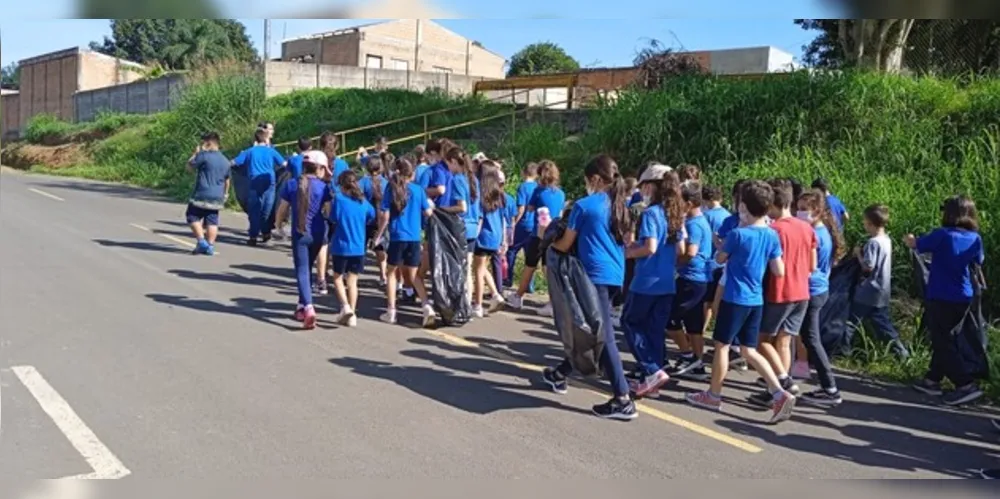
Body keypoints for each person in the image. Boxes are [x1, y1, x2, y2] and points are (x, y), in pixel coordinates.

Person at [686, 180, 797, 424]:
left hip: (734, 297)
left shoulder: (737, 234)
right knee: (749, 349)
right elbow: (778, 270)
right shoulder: (771, 234)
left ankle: (713, 394)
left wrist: (722, 246)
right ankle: (779, 391)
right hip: (756, 299)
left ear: (743, 206)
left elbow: (720, 257)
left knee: (722, 346)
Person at [542, 154, 637, 420]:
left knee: (601, 335)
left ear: (595, 179)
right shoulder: (621, 205)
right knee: (589, 329)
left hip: (591, 276)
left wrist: (547, 241)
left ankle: (623, 398)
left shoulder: (584, 206)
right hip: (615, 275)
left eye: (587, 180)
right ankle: (560, 373)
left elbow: (565, 244)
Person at [904, 195, 986, 406]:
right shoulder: (975, 238)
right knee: (948, 337)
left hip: (942, 294)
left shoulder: (943, 235)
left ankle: (965, 384)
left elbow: (917, 245)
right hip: (964, 296)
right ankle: (933, 379)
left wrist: (910, 239)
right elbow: (978, 261)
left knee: (941, 340)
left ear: (949, 214)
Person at [748, 179, 816, 408]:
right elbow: (812, 263)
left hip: (780, 291)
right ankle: (776, 385)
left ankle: (782, 381)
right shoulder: (806, 227)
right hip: (802, 291)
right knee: (784, 341)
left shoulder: (774, 230)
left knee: (761, 340)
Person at [622, 165, 685, 397]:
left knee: (630, 322)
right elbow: (681, 249)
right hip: (667, 281)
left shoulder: (651, 213)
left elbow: (650, 247)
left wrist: (628, 251)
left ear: (653, 186)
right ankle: (653, 378)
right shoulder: (675, 213)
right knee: (655, 330)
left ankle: (651, 371)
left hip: (646, 281)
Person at [794, 190, 845, 407]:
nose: (799, 213)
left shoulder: (817, 236)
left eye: (804, 210)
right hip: (818, 288)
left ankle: (830, 388)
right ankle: (827, 386)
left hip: (813, 290)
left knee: (811, 339)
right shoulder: (820, 231)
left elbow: (809, 266)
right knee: (807, 337)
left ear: (817, 212)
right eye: (798, 208)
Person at [274, 151, 332, 329]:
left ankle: (308, 307)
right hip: (318, 232)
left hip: (300, 232)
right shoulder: (324, 188)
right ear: (320, 168)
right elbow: (328, 212)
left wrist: (278, 224)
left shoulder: (292, 184)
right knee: (307, 269)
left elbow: (282, 209)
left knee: (302, 269)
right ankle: (301, 305)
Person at [375, 158, 435, 326]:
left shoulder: (392, 188)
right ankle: (426, 306)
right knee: (414, 275)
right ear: (412, 174)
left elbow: (385, 215)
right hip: (415, 236)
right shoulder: (418, 190)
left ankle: (391, 311)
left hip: (397, 236)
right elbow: (429, 212)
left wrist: (378, 235)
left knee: (391, 273)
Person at [847, 204, 910, 359]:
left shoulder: (873, 243)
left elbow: (868, 267)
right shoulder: (886, 240)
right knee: (883, 325)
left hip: (867, 291)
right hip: (882, 290)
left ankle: (843, 350)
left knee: (850, 323)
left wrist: (858, 255)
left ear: (870, 223)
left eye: (864, 222)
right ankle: (901, 353)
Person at [667, 181, 713, 380]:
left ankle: (687, 355)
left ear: (689, 203)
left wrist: (675, 262)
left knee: (670, 319)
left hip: (690, 278)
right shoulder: (701, 221)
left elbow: (691, 253)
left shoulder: (694, 224)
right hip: (699, 279)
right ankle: (698, 363)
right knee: (694, 325)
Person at [507, 160, 566, 316]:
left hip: (538, 234)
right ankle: (554, 301)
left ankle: (518, 296)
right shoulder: (560, 193)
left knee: (530, 266)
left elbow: (531, 208)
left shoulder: (539, 191)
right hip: (554, 234)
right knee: (549, 268)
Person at [328, 171, 376, 327]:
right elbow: (372, 215)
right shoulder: (363, 201)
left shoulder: (339, 200)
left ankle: (345, 306)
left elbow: (333, 218)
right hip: (358, 247)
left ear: (342, 185)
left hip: (341, 246)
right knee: (353, 280)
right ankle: (352, 313)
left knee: (337, 276)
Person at [232, 129, 287, 246]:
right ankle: (266, 233)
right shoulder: (271, 151)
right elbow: (284, 164)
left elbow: (234, 163)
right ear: (266, 139)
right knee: (266, 210)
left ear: (255, 139)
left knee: (254, 211)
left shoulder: (249, 152)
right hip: (269, 183)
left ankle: (253, 236)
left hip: (254, 183)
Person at [441, 147, 481, 303]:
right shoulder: (473, 179)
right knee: (468, 268)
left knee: (459, 268)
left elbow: (461, 207)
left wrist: (442, 209)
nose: (448, 169)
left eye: (448, 165)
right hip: (473, 228)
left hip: (461, 227)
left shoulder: (457, 179)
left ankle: (459, 302)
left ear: (453, 162)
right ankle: (468, 305)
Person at [184, 132, 230, 256]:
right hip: (217, 195)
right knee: (212, 220)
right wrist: (225, 194)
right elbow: (227, 180)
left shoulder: (203, 156)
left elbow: (189, 167)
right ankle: (210, 246)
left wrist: (195, 154)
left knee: (192, 216)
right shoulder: (225, 160)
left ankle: (201, 241)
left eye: (203, 141)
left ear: (208, 142)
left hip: (202, 194)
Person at [472, 169, 507, 317]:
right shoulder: (500, 197)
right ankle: (495, 294)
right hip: (496, 236)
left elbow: (480, 219)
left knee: (478, 271)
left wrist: (474, 235)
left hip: (483, 236)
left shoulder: (482, 198)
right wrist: (503, 240)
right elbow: (503, 220)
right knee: (482, 267)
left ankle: (478, 305)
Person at [701, 184, 732, 338]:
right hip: (724, 264)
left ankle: (701, 330)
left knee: (706, 303)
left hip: (710, 264)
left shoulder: (706, 216)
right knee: (716, 302)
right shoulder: (727, 215)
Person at [506, 162, 539, 290]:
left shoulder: (522, 187)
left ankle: (508, 278)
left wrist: (514, 222)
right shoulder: (538, 187)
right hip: (534, 225)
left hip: (523, 224)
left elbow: (521, 208)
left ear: (524, 172)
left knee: (512, 250)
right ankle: (529, 285)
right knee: (530, 255)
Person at [361, 156, 390, 287]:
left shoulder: (363, 182)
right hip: (381, 219)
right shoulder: (385, 182)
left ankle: (353, 272)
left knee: (361, 247)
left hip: (365, 219)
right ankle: (383, 275)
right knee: (380, 249)